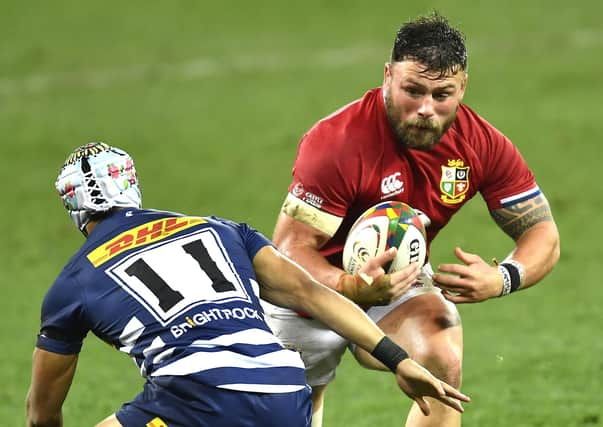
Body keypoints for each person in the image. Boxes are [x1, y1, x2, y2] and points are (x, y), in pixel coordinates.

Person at [26, 142, 470, 427]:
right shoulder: (220, 228)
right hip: (284, 393)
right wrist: (397, 360)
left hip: (196, 399)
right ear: (132, 186)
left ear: (75, 209)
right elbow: (312, 295)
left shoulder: (73, 282)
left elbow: (42, 416)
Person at [264, 11, 560, 427]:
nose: (425, 108)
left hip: (397, 282)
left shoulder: (479, 144)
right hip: (309, 293)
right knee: (291, 412)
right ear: (387, 76)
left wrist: (503, 277)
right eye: (412, 90)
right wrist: (349, 286)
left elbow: (542, 232)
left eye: (442, 95)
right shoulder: (337, 142)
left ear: (463, 88)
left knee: (441, 361)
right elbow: (290, 250)